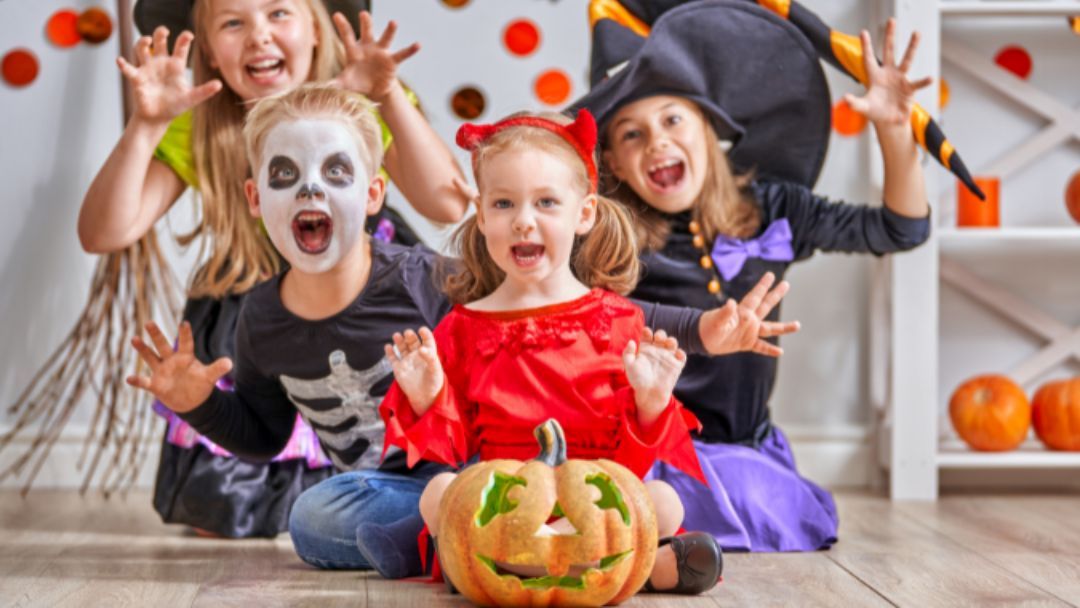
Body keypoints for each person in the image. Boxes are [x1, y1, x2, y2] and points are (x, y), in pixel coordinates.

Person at [127, 84, 795, 579]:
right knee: (334, 513)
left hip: (546, 481)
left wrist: (708, 330)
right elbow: (270, 433)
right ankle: (523, 554)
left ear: (372, 193)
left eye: (334, 173)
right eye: (503, 205)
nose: (309, 194)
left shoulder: (432, 283)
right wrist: (199, 404)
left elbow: (626, 323)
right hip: (430, 484)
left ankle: (463, 555)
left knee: (661, 503)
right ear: (255, 199)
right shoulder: (266, 317)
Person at [79, 0, 470, 538]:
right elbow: (104, 232)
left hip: (368, 294)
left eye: (278, 13)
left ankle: (403, 500)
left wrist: (384, 99)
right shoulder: (199, 125)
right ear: (210, 51)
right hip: (257, 305)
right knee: (224, 513)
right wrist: (147, 126)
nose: (259, 36)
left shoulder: (358, 107)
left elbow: (449, 204)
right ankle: (361, 512)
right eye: (234, 22)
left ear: (315, 30)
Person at [574, 2, 931, 551]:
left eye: (672, 119)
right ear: (614, 163)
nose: (657, 143)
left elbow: (900, 230)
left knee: (759, 497)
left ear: (708, 125)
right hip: (645, 452)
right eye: (631, 135)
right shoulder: (603, 238)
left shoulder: (773, 209)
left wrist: (893, 131)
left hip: (747, 452)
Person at [379, 110, 725, 594]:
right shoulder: (463, 326)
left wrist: (651, 402)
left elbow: (630, 470)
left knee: (665, 500)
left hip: (594, 505)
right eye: (503, 204)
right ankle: (643, 571)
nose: (523, 221)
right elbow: (450, 450)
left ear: (583, 213)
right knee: (437, 494)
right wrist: (426, 395)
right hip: (506, 505)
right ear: (481, 215)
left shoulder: (617, 321)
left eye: (545, 202)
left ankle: (501, 570)